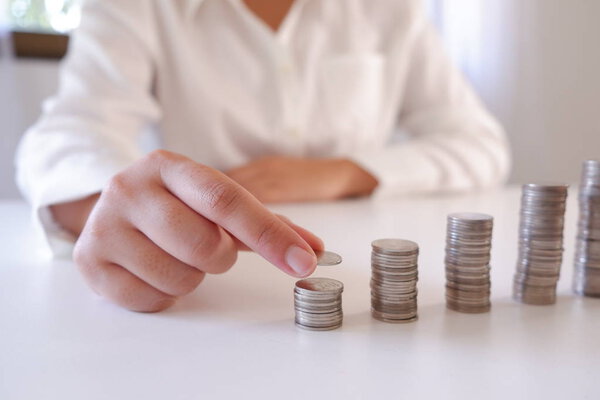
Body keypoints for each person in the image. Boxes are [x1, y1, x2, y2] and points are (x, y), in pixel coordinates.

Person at [15, 0, 511, 312]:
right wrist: (114, 203)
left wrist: (343, 173)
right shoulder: (136, 7)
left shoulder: (393, 9)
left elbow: (481, 144)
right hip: (212, 288)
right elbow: (63, 138)